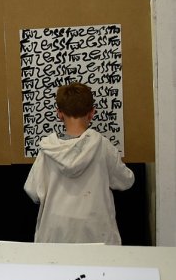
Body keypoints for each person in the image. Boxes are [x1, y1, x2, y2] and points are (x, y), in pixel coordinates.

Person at [24, 82, 134, 245]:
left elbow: (32, 191)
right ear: (92, 113)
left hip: (55, 232)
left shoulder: (48, 149)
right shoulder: (103, 146)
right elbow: (126, 181)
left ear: (59, 113)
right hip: (96, 232)